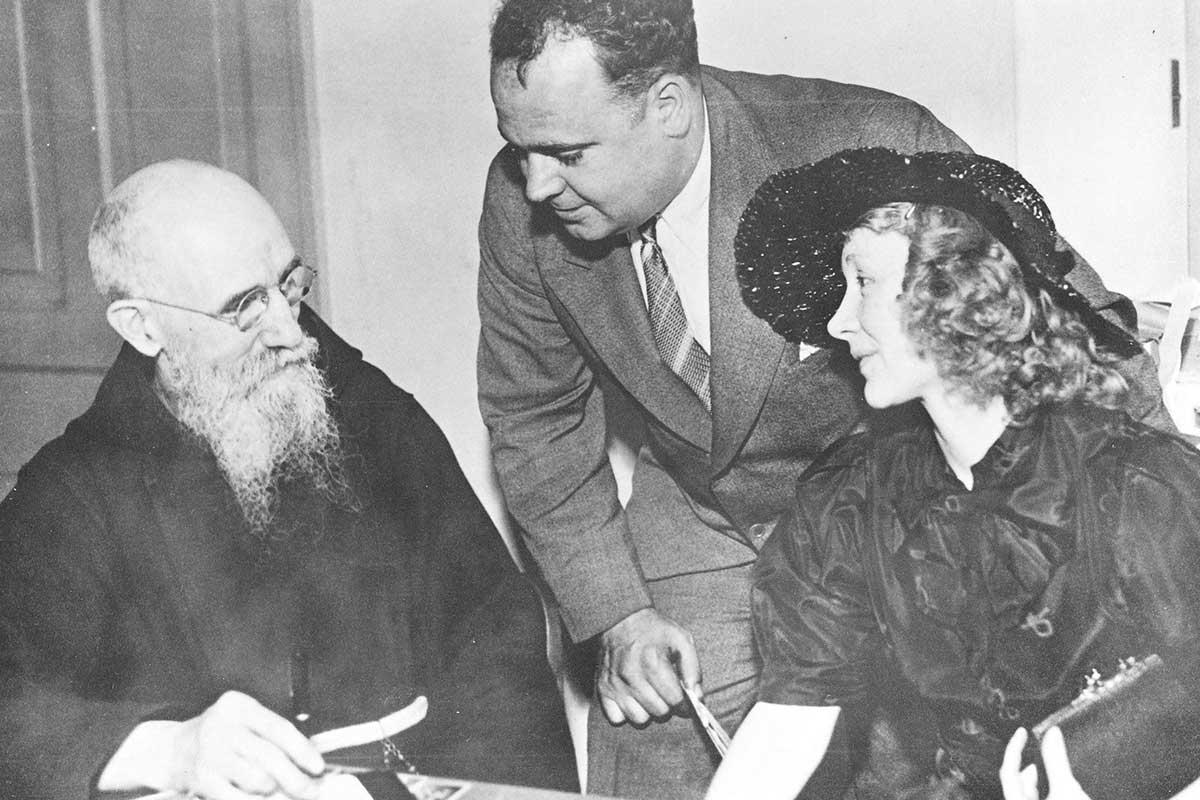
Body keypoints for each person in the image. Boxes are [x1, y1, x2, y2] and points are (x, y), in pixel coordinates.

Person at [477, 1, 1169, 797]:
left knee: (925, 761)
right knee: (648, 745)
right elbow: (537, 415)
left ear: (666, 105)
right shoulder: (520, 200)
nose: (534, 184)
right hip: (703, 508)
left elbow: (1075, 329)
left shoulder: (865, 144)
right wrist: (617, 614)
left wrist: (1148, 536)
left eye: (566, 152)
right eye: (519, 149)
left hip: (896, 509)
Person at [0, 160, 577, 800]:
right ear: (143, 327)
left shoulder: (375, 415)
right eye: (245, 307)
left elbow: (496, 644)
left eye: (289, 285)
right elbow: (16, 707)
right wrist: (166, 749)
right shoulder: (68, 497)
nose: (289, 332)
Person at [705, 147, 1200, 800]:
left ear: (953, 288)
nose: (836, 323)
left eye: (864, 284)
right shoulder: (855, 502)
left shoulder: (1135, 485)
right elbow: (786, 727)